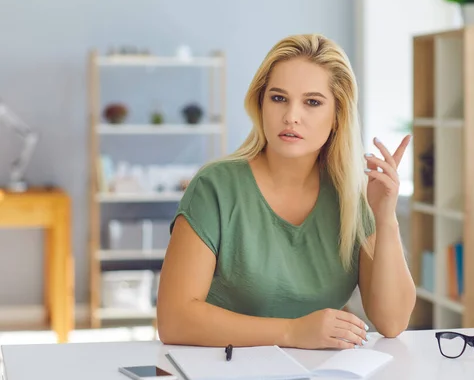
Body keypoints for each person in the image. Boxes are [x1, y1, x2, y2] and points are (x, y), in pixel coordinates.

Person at [156, 34, 416, 350]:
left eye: (312, 102)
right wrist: (291, 332)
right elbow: (174, 320)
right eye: (279, 98)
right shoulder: (215, 186)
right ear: (260, 103)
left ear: (337, 115)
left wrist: (385, 216)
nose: (292, 115)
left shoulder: (353, 195)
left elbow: (392, 323)